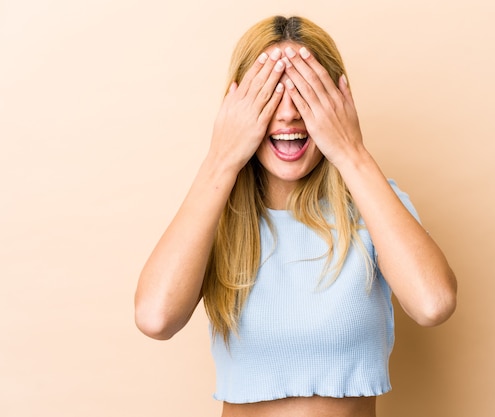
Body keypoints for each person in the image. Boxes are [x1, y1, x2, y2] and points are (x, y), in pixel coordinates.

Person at [134, 15, 457, 417]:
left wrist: (351, 152)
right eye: (269, 94)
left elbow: (434, 304)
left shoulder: (375, 205)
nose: (288, 113)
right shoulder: (215, 214)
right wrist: (220, 159)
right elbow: (155, 317)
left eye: (305, 93)